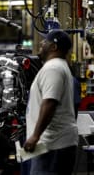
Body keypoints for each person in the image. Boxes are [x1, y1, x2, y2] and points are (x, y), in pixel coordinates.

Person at [23, 29, 78, 175]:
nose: (41, 43)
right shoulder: (59, 66)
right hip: (54, 144)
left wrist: (35, 136)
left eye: (45, 41)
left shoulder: (53, 68)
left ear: (54, 47)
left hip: (52, 146)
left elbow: (49, 103)